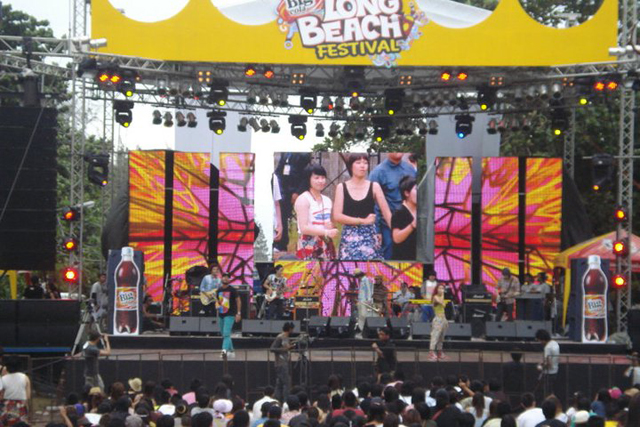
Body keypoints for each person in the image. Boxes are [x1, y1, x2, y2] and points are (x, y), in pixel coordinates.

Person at [332, 153, 392, 260]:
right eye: (358, 163)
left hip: (370, 236)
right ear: (351, 166)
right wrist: (362, 221)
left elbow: (387, 213)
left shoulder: (374, 186)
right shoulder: (341, 187)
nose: (362, 166)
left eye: (365, 163)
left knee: (371, 267)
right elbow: (337, 216)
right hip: (349, 236)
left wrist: (396, 231)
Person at [369, 153, 417, 260]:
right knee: (390, 259)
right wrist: (377, 230)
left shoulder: (410, 169)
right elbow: (372, 203)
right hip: (387, 227)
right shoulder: (378, 172)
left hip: (411, 222)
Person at [293, 163, 338, 260]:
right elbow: (304, 228)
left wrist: (331, 227)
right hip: (308, 243)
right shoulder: (303, 199)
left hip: (326, 242)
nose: (321, 181)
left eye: (323, 177)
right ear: (308, 179)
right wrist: (326, 232)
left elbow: (331, 223)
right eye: (316, 178)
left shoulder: (327, 200)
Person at [274, 152, 311, 252]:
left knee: (303, 217)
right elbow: (279, 171)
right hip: (284, 190)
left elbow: (306, 176)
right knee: (282, 214)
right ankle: (281, 244)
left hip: (297, 190)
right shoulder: (285, 153)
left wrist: (297, 192)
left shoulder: (303, 154)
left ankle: (305, 245)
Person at [390, 175, 417, 261]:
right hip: (402, 260)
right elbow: (396, 238)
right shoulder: (399, 212)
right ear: (406, 193)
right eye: (416, 189)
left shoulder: (422, 211)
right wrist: (412, 225)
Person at [0, 356, 31, 426]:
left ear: (7, 367)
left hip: (6, 406)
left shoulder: (3, 379)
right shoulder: (25, 377)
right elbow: (28, 396)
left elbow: (1, 396)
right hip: (21, 406)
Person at [217, 273, 242, 358]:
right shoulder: (219, 290)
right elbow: (218, 302)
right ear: (221, 278)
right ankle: (231, 350)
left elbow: (238, 301)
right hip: (221, 314)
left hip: (230, 314)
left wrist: (238, 313)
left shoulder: (233, 290)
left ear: (229, 279)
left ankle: (224, 351)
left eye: (227, 277)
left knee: (226, 333)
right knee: (224, 334)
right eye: (224, 277)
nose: (225, 278)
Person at [270, 321, 295, 402]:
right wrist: (285, 349)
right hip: (281, 363)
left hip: (284, 362)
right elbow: (272, 348)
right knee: (286, 383)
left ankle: (277, 400)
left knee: (280, 383)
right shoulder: (280, 337)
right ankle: (286, 401)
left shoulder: (286, 337)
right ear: (290, 329)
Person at [535, 329, 560, 397]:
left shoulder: (547, 348)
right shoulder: (555, 343)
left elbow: (549, 364)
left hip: (548, 373)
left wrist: (540, 367)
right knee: (551, 391)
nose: (540, 342)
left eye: (539, 340)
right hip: (555, 371)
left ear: (542, 339)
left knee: (547, 393)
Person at [429, 284, 449, 361]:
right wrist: (442, 294)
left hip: (443, 319)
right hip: (438, 319)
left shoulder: (442, 296)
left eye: (442, 288)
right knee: (435, 336)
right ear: (436, 289)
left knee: (441, 337)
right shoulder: (435, 297)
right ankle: (431, 353)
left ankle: (440, 352)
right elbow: (441, 303)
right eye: (440, 288)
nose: (441, 290)